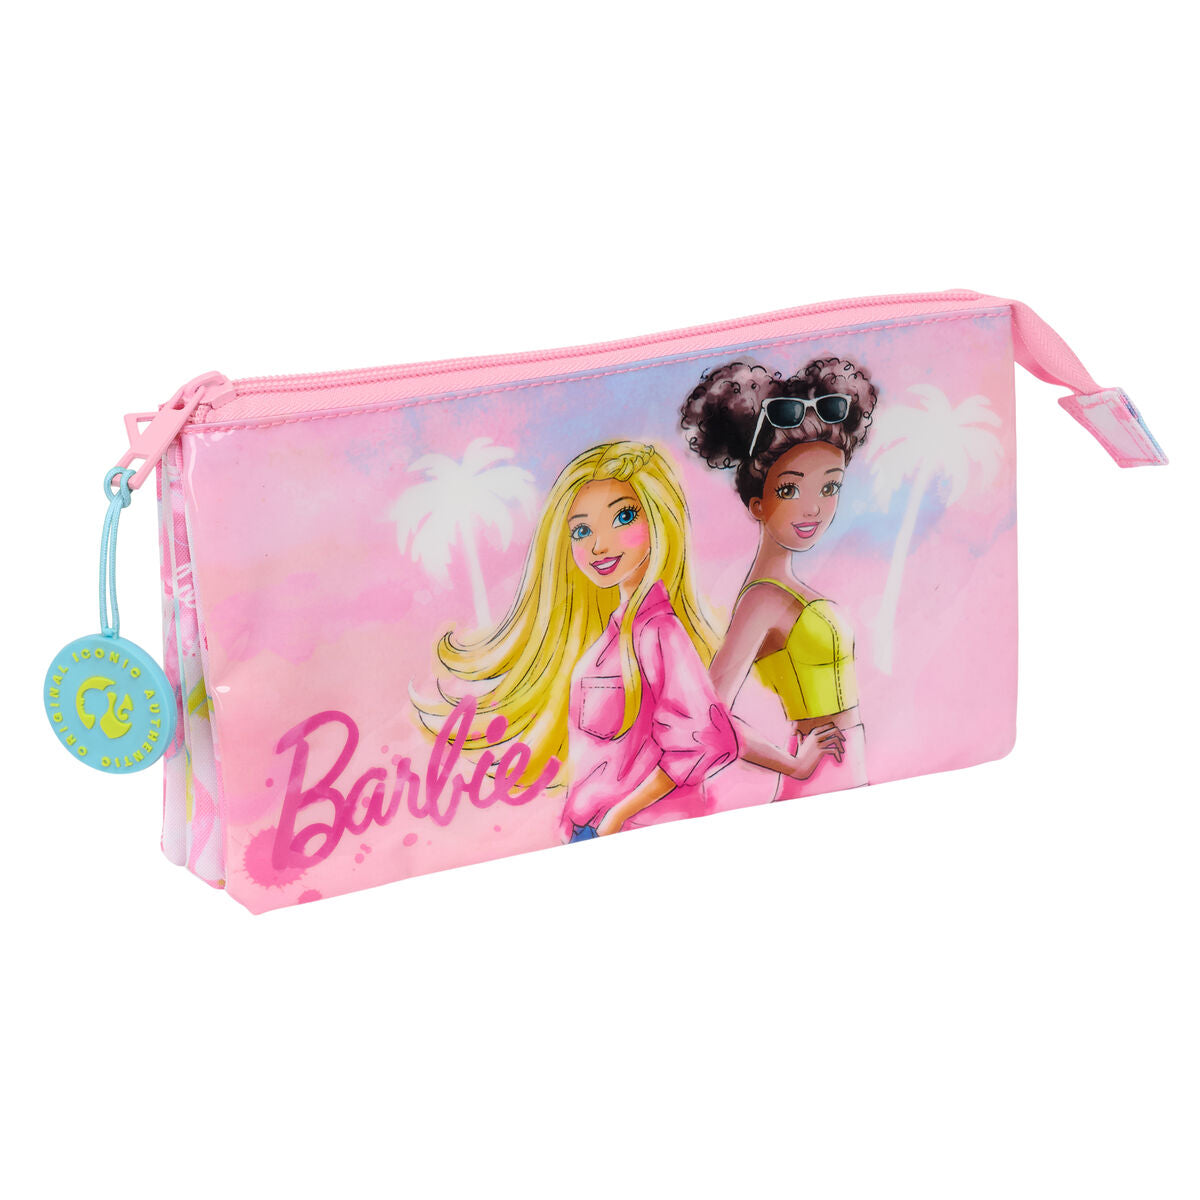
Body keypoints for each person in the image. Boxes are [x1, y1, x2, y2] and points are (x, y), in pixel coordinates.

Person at [421, 441, 737, 841]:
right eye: (582, 530)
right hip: (592, 827)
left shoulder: (659, 632)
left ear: (659, 518)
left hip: (639, 828)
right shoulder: (612, 635)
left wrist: (618, 816)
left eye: (624, 516)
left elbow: (707, 740)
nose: (598, 546)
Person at [681, 357, 878, 799]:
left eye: (830, 487)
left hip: (848, 766)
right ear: (757, 504)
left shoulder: (785, 592)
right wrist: (793, 764)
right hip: (820, 775)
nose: (814, 508)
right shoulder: (763, 600)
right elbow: (706, 716)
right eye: (790, 489)